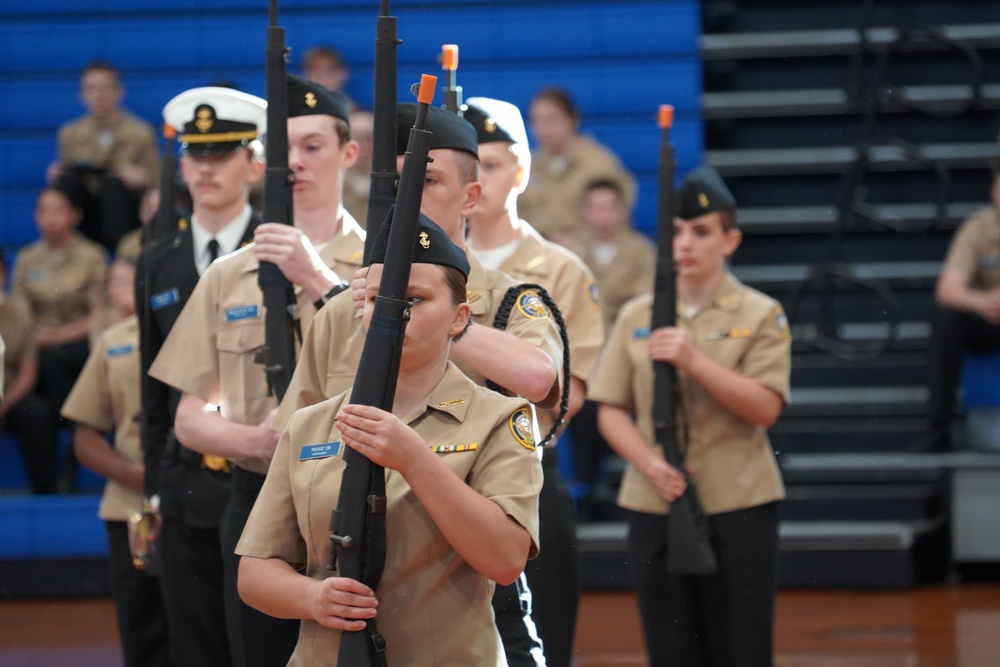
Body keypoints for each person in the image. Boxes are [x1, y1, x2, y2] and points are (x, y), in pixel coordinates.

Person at [274, 103, 562, 667]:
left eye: (426, 181)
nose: (406, 198)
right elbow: (296, 437)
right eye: (395, 182)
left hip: (474, 558)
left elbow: (536, 376)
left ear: (470, 198)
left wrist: (418, 314)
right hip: (353, 561)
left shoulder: (507, 298)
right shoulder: (342, 308)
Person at [237, 214, 543, 666]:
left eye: (414, 299)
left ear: (459, 319)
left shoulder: (501, 419)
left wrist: (415, 460)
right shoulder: (312, 424)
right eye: (379, 298)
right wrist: (312, 597)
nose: (393, 312)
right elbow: (255, 569)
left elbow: (504, 560)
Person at [149, 75, 364, 667]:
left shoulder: (384, 265)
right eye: (283, 147)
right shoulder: (229, 274)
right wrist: (254, 440)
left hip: (361, 494)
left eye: (313, 145)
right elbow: (189, 417)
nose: (295, 161)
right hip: (257, 498)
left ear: (349, 153)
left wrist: (320, 280)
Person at [588, 166, 791, 667]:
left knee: (742, 646)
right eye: (677, 231)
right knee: (671, 647)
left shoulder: (760, 314)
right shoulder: (639, 313)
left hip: (737, 501)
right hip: (655, 501)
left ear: (730, 240)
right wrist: (648, 463)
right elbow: (609, 409)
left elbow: (765, 407)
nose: (686, 243)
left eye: (702, 232)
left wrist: (693, 360)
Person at [464, 96, 607, 667]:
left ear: (521, 170)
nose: (481, 178)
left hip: (525, 466)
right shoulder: (431, 266)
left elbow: (571, 391)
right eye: (470, 165)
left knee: (537, 640)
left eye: (494, 164)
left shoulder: (561, 270)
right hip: (433, 468)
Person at [135, 85, 268, 667]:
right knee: (197, 646)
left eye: (222, 153)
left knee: (259, 643)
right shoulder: (157, 258)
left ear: (254, 163)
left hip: (260, 477)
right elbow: (153, 383)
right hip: (187, 480)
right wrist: (155, 483)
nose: (205, 167)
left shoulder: (279, 251)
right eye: (195, 154)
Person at [60, 256, 171, 667]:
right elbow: (84, 437)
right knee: (142, 630)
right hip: (131, 507)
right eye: (118, 280)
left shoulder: (199, 335)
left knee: (200, 629)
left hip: (192, 501)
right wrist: (132, 474)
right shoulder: (114, 341)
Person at [12, 177, 108, 492]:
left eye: (58, 210)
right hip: (35, 340)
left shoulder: (92, 256)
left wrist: (57, 335)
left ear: (75, 215)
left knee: (56, 362)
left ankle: (70, 445)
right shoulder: (27, 257)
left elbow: (97, 313)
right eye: (43, 210)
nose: (49, 217)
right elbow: (19, 310)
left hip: (77, 341)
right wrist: (35, 335)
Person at [572, 177, 656, 517]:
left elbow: (645, 305)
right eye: (595, 208)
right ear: (584, 212)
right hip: (587, 350)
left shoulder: (641, 251)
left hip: (629, 349)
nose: (602, 215)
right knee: (582, 398)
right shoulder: (572, 253)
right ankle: (589, 483)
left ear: (622, 210)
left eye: (609, 207)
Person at [48, 61, 159, 254]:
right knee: (65, 183)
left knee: (114, 186)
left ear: (119, 92)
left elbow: (157, 184)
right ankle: (71, 251)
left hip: (124, 213)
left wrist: (143, 178)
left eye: (105, 88)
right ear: (82, 94)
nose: (99, 95)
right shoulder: (70, 134)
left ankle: (121, 253)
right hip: (87, 212)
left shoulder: (140, 133)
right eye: (91, 89)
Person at [927, 165, 1000, 451]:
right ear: (994, 193)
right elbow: (947, 288)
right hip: (991, 319)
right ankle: (938, 430)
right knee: (947, 320)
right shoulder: (979, 227)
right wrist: (982, 301)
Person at [518, 86, 636, 256]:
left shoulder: (600, 165)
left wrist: (582, 242)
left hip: (587, 259)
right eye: (536, 121)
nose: (543, 129)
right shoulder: (528, 166)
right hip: (535, 257)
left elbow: (619, 222)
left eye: (551, 120)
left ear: (573, 120)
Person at [0, 253, 55, 493]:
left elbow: (27, 372)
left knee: (37, 413)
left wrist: (4, 403)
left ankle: (45, 492)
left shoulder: (19, 312)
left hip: (8, 394)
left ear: (3, 275)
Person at [301, 45, 360, 112]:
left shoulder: (360, 119)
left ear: (344, 73)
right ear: (305, 76)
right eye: (317, 73)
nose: (323, 78)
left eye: (328, 72)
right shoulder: (294, 115)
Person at [342, 107, 373, 228]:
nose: (363, 146)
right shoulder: (331, 184)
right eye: (355, 137)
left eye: (368, 138)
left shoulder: (394, 184)